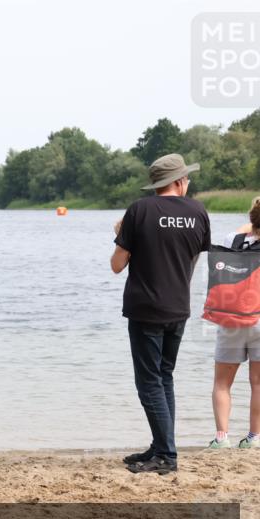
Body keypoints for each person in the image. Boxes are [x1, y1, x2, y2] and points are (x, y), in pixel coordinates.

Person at [111, 154, 211, 474]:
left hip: (146, 308)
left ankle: (167, 454)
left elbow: (117, 265)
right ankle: (161, 445)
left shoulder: (139, 210)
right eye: (187, 179)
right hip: (178, 306)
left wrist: (121, 234)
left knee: (149, 382)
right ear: (179, 181)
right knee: (164, 377)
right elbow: (191, 259)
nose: (188, 183)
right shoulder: (198, 211)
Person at [208, 195, 260, 450]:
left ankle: (221, 438)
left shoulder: (234, 240)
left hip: (232, 318)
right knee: (258, 383)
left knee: (222, 383)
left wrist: (253, 224)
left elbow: (243, 229)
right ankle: (254, 438)